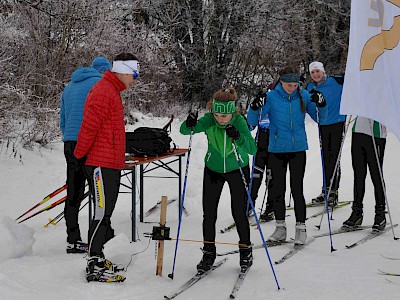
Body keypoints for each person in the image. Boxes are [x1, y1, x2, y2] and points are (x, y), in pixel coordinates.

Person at [74, 53, 139, 282]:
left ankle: (98, 256)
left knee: (106, 213)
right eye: (133, 74)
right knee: (101, 214)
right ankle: (93, 262)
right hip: (100, 164)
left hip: (109, 162)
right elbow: (89, 127)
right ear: (122, 71)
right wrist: (79, 156)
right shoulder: (104, 91)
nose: (134, 79)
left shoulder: (111, 91)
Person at [247, 66, 327, 245]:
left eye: (295, 84)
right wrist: (254, 106)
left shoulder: (303, 95)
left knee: (297, 189)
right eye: (289, 85)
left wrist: (321, 104)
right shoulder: (271, 97)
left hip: (298, 149)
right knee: (277, 190)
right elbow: (253, 120)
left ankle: (301, 228)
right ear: (281, 82)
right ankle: (280, 228)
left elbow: (321, 118)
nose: (292, 88)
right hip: (276, 150)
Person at [180, 87, 257, 273]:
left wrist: (238, 137)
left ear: (232, 112)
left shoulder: (239, 121)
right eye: (217, 115)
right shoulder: (209, 120)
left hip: (237, 168)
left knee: (239, 212)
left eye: (224, 116)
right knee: (209, 214)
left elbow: (252, 149)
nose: (220, 119)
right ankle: (208, 253)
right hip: (213, 169)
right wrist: (189, 122)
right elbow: (185, 131)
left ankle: (245, 251)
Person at [60, 56, 112, 254]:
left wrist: (69, 137)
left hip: (70, 143)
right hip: (91, 143)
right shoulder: (101, 84)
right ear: (104, 71)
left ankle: (73, 239)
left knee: (74, 192)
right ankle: (100, 238)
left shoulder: (69, 87)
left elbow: (63, 119)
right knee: (100, 192)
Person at [307, 61, 346, 206]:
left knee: (334, 158)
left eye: (318, 71)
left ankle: (333, 192)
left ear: (323, 71)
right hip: (323, 125)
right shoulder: (311, 87)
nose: (316, 75)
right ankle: (325, 190)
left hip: (337, 123)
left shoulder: (335, 81)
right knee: (325, 157)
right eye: (313, 72)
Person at [343, 116, 387, 231]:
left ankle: (380, 214)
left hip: (376, 134)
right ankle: (357, 212)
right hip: (358, 131)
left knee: (376, 175)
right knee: (358, 175)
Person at [247, 86, 274, 222]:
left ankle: (271, 207)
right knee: (256, 176)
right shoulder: (261, 104)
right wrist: (254, 106)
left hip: (275, 143)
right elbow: (251, 124)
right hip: (261, 143)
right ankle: (249, 204)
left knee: (271, 177)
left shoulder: (277, 103)